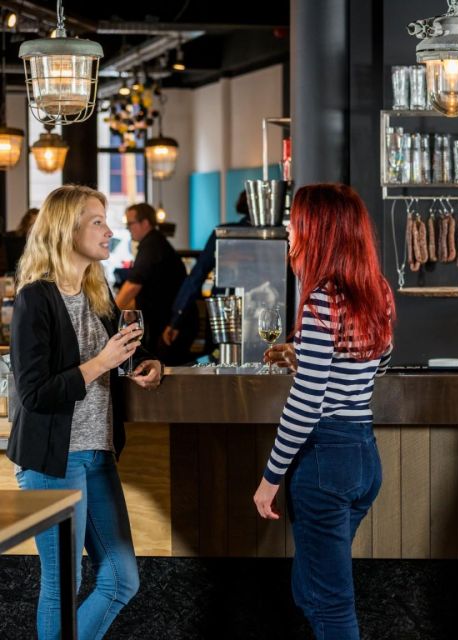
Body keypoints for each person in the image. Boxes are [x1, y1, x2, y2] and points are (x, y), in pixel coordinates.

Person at [7, 185, 162, 640]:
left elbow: (121, 354)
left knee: (121, 579)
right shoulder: (35, 298)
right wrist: (103, 364)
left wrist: (148, 364)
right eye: (97, 221)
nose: (109, 230)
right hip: (54, 461)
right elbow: (34, 393)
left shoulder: (98, 293)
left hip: (98, 455)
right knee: (62, 587)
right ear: (65, 229)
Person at [252, 184, 394, 640]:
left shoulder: (319, 301)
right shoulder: (379, 292)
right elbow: (380, 360)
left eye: (296, 224)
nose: (291, 233)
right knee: (310, 590)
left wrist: (269, 480)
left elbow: (307, 402)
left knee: (330, 605)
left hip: (325, 462)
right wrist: (313, 359)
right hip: (363, 458)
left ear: (320, 231)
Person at [161, 191, 251, 349]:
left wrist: (176, 321)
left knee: (219, 364)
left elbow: (196, 277)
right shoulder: (278, 234)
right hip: (263, 316)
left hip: (223, 315)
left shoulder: (224, 234)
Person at [115, 203, 197, 365]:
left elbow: (132, 286)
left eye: (130, 223)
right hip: (171, 322)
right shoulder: (154, 243)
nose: (128, 228)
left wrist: (111, 316)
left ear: (145, 223)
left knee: (165, 371)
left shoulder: (151, 246)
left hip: (173, 325)